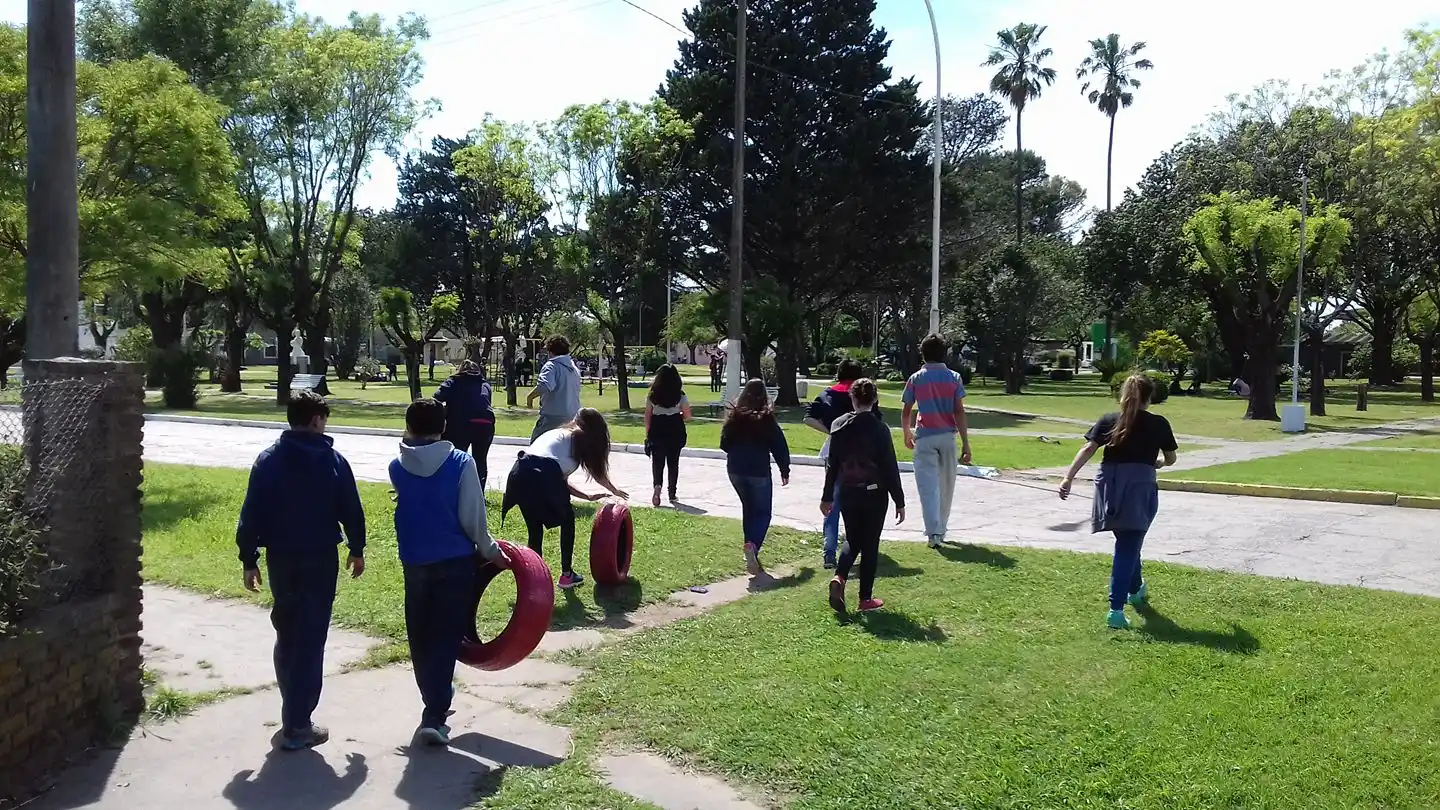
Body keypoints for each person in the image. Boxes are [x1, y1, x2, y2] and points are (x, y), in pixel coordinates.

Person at [236, 391, 365, 751]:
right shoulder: (333, 461)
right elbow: (351, 509)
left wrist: (249, 558)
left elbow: (252, 514)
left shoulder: (268, 461)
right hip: (319, 557)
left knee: (288, 632)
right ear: (315, 421)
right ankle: (298, 723)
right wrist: (357, 548)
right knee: (311, 639)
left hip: (281, 558)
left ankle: (291, 709)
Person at [389, 398, 511, 746]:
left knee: (421, 634)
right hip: (454, 561)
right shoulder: (461, 463)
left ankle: (434, 700)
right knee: (444, 636)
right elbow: (473, 517)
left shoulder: (397, 467)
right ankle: (434, 713)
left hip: (414, 561)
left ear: (408, 427)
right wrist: (492, 553)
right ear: (443, 427)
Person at [1059, 374, 1179, 630]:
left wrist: (1068, 478)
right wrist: (1159, 462)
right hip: (1139, 485)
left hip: (1109, 484)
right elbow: (1171, 458)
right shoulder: (1158, 424)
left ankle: (1136, 588)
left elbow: (1088, 449)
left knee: (1127, 539)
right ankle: (1115, 609)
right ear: (1149, 397)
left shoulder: (1109, 420)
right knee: (1128, 543)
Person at [501, 408, 629, 589]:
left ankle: (535, 581)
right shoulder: (576, 442)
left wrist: (587, 496)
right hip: (541, 473)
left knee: (535, 530)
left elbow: (556, 481)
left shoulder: (557, 435)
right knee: (567, 520)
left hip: (520, 471)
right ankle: (566, 575)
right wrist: (613, 489)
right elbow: (553, 477)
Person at [822, 379, 904, 614]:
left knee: (853, 538)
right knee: (870, 544)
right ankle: (864, 598)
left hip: (848, 490)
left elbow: (833, 466)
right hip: (874, 493)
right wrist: (899, 500)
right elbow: (890, 466)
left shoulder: (838, 426)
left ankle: (840, 576)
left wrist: (827, 496)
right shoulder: (879, 429)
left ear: (852, 398)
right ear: (875, 399)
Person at [804, 359, 882, 569]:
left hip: (834, 449)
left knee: (832, 501)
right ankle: (856, 546)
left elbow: (808, 418)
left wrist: (832, 431)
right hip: (864, 454)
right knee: (859, 502)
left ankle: (829, 552)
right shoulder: (863, 393)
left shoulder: (827, 394)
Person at [901, 334, 972, 549]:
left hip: (925, 436)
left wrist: (907, 433)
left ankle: (933, 532)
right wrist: (966, 444)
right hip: (948, 436)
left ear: (922, 353)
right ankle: (941, 528)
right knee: (946, 485)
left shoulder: (915, 378)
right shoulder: (954, 377)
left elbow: (906, 411)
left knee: (927, 486)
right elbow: (959, 411)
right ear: (945, 353)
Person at [720, 379, 791, 576]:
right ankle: (752, 546)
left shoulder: (734, 416)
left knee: (749, 510)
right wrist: (785, 470)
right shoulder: (766, 418)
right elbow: (779, 445)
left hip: (735, 469)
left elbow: (723, 444)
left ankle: (750, 551)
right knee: (762, 513)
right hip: (758, 470)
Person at [433, 360, 497, 487]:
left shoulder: (453, 381)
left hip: (462, 424)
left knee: (455, 458)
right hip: (486, 424)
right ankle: (479, 494)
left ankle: (454, 489)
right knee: (480, 460)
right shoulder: (485, 384)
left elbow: (436, 398)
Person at [645, 364, 692, 506]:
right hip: (675, 429)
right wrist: (678, 417)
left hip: (657, 429)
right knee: (673, 463)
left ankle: (657, 487)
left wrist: (648, 432)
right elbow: (688, 415)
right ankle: (672, 493)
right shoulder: (680, 395)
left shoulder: (652, 395)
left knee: (657, 462)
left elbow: (648, 416)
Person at [526, 335, 581, 442]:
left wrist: (530, 397)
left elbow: (545, 386)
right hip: (573, 417)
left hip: (552, 418)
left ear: (550, 351)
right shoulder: (574, 368)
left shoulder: (551, 366)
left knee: (536, 446)